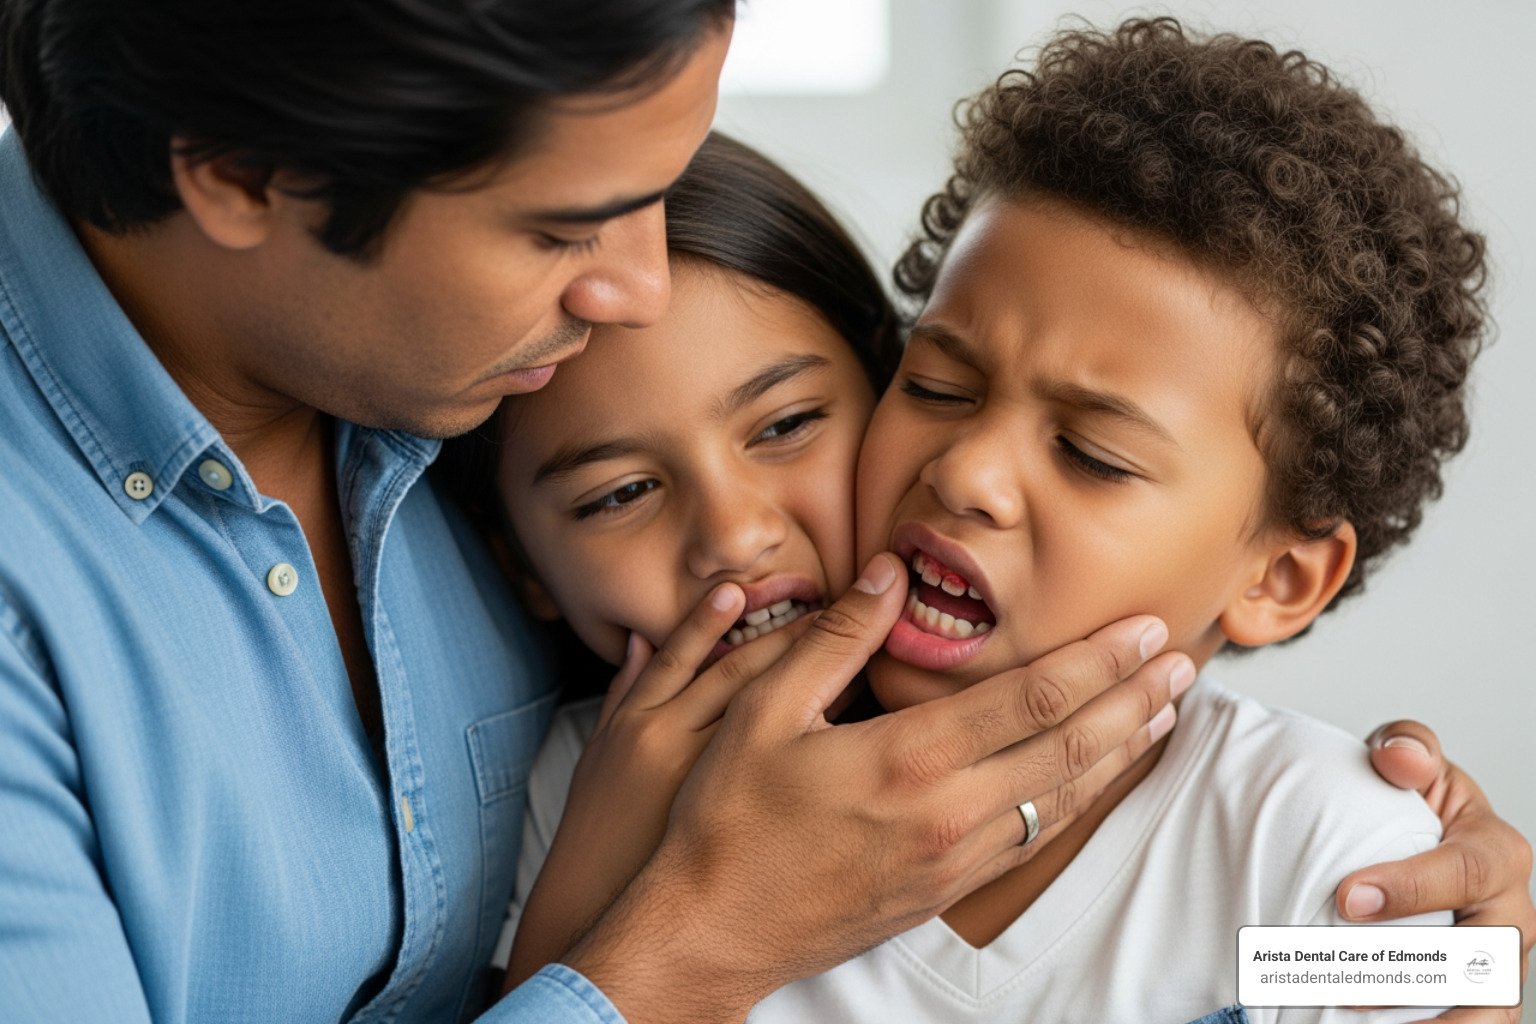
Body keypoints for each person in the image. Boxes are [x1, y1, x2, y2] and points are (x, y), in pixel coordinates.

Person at [0, 3, 1528, 1023]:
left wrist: (1452, 934)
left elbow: (1363, 960)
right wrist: (671, 939)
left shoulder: (1294, 847)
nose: (632, 295)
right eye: (563, 225)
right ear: (240, 178)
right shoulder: (607, 791)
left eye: (800, 418)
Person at [495, 23, 1535, 1024]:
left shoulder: (1312, 852)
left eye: (1094, 455)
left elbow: (1411, 971)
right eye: (941, 386)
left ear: (1280, 579)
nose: (967, 473)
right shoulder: (603, 803)